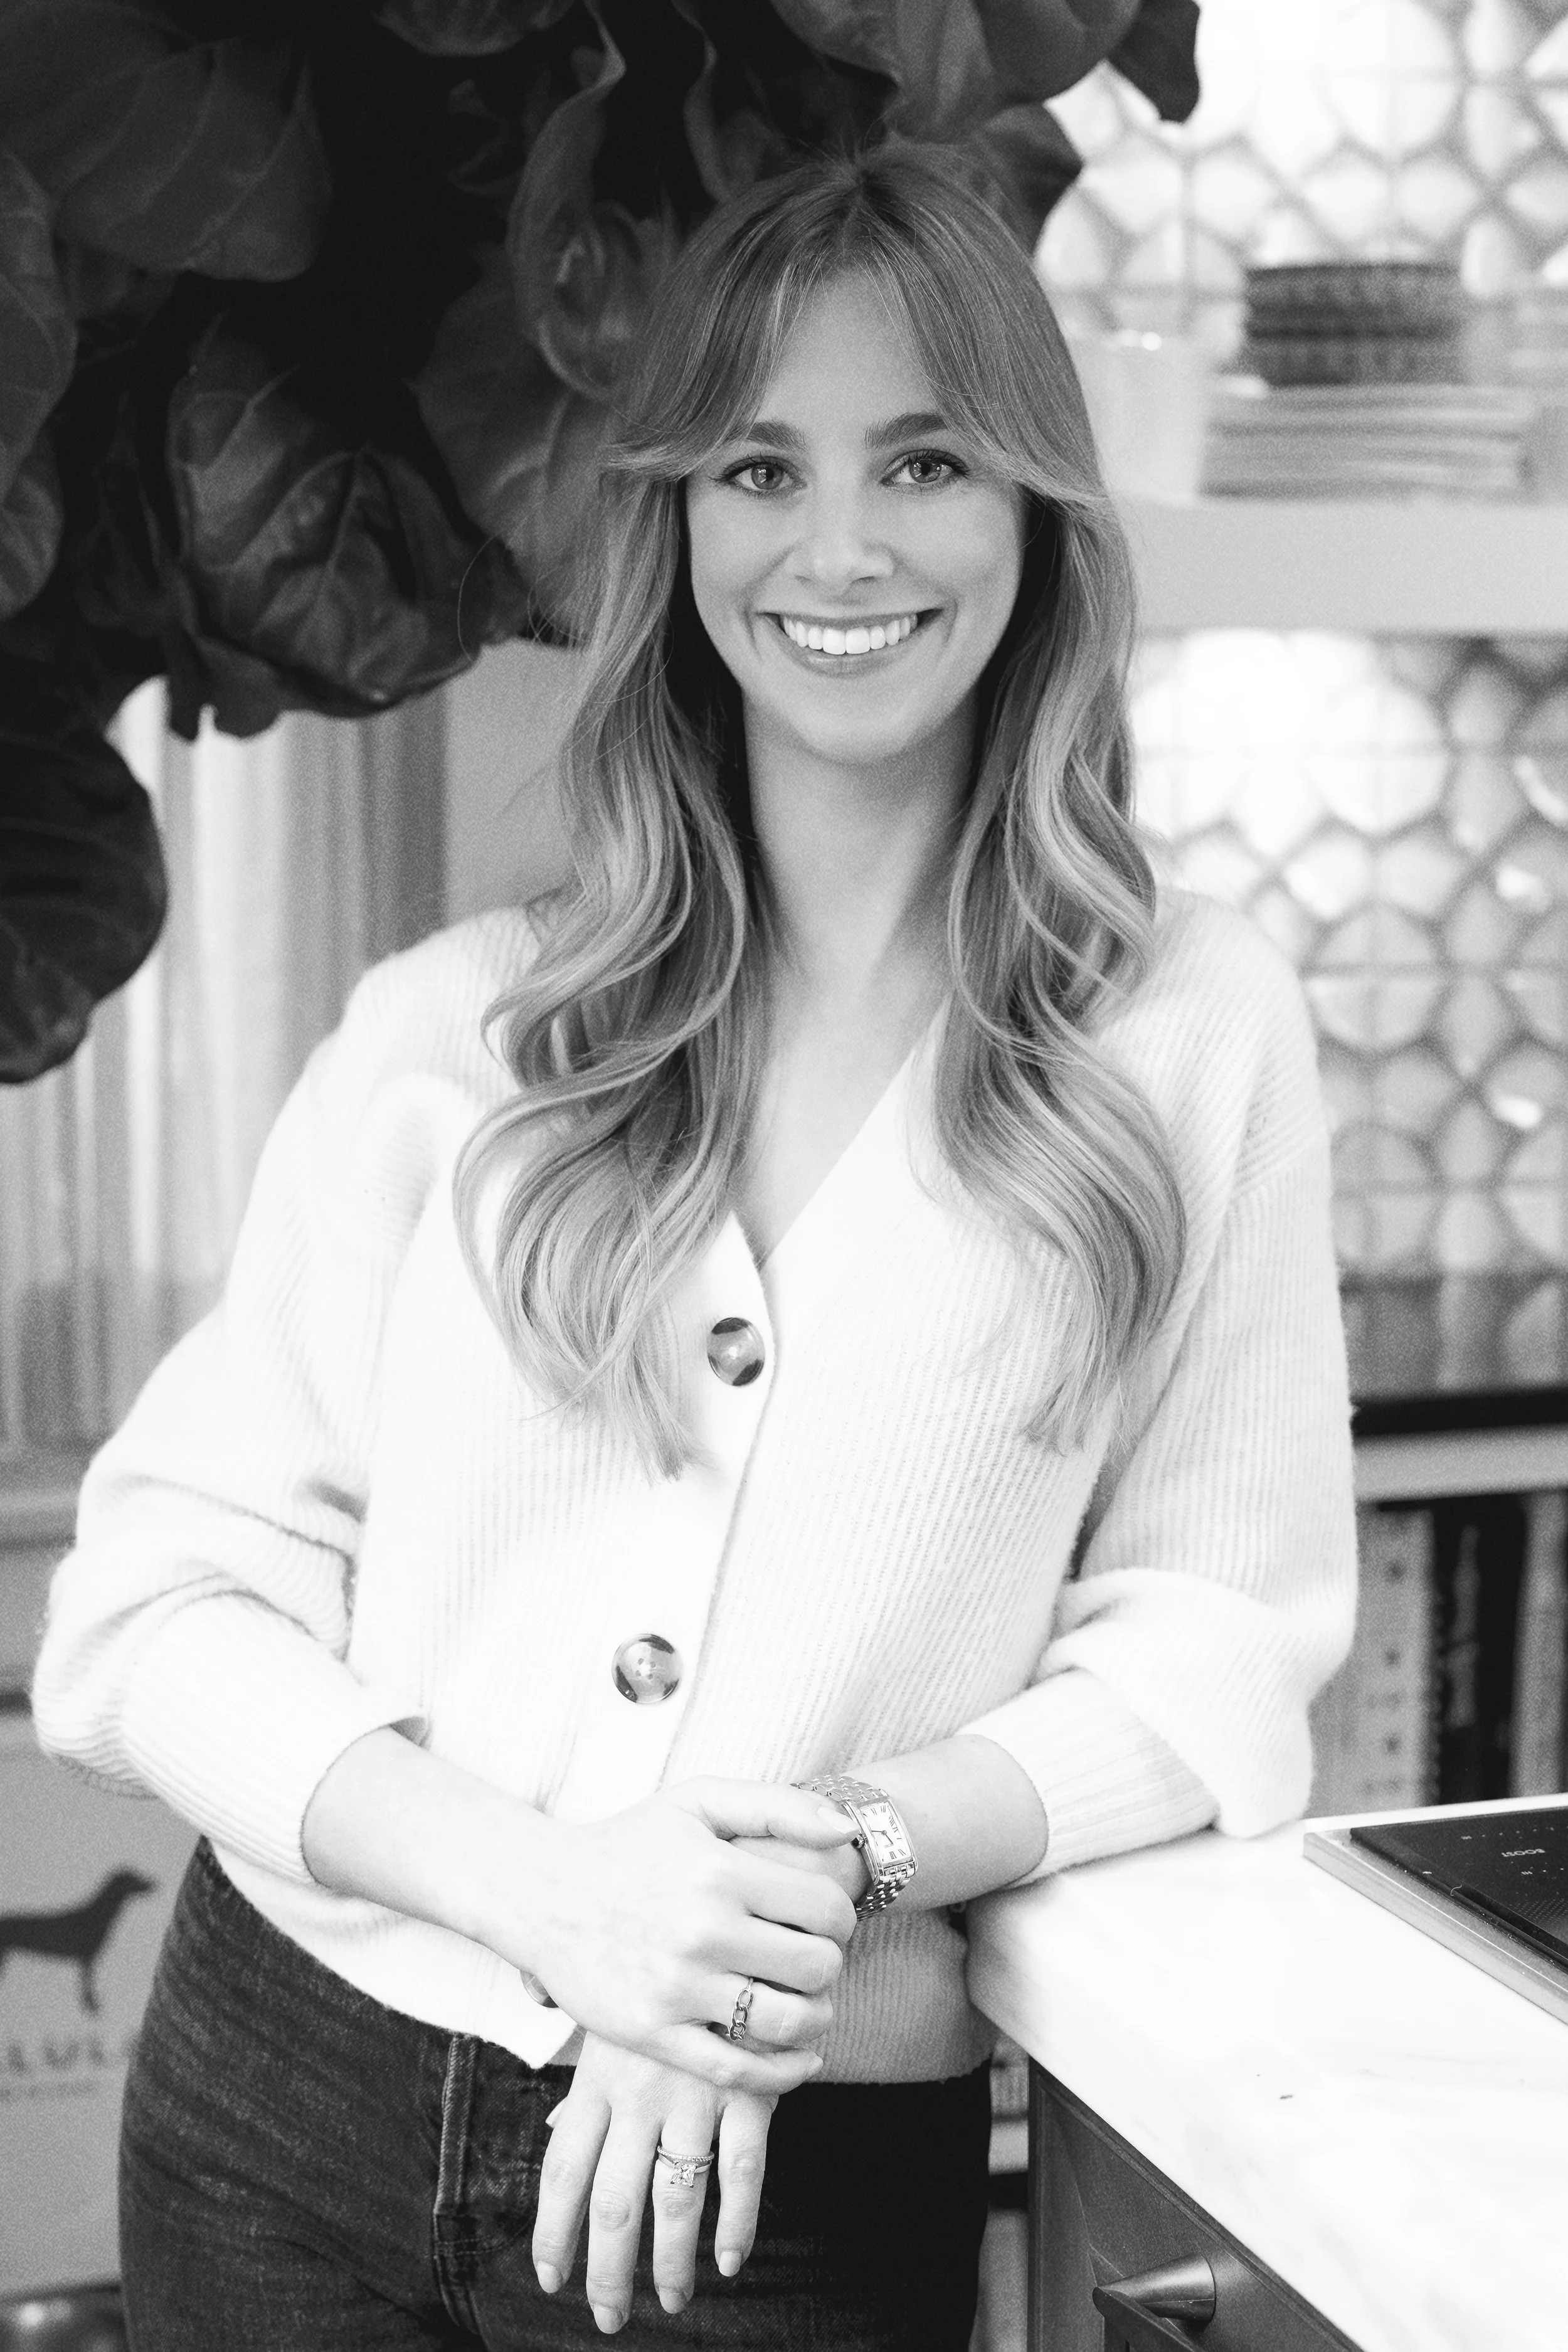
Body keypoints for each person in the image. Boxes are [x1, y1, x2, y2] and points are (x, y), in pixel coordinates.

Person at [32, 143, 1357, 2351]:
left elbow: (1214, 1651)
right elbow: (154, 1601)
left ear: (1032, 510)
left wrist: (817, 1865)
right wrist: (561, 1892)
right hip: (285, 2109)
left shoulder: (1180, 1028)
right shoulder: (464, 1027)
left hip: (780, 2168)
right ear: (679, 517)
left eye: (921, 458)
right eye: (760, 465)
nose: (838, 547)